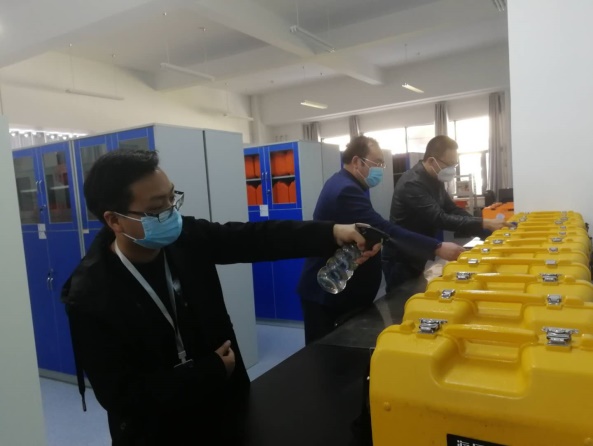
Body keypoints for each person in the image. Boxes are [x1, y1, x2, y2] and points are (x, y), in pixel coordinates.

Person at [61, 149, 380, 446]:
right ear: (114, 220)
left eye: (172, 198)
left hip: (228, 404)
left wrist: (332, 233)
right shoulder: (90, 295)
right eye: (157, 209)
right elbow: (121, 395)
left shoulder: (185, 238)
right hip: (158, 431)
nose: (171, 213)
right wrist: (209, 371)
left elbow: (256, 239)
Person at [296, 135, 464, 345]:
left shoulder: (348, 184)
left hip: (343, 291)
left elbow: (368, 232)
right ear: (357, 161)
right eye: (377, 163)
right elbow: (383, 228)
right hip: (330, 289)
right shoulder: (345, 190)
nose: (380, 169)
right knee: (325, 355)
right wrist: (436, 247)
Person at [382, 135, 511, 292]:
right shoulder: (412, 183)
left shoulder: (434, 179)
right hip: (401, 256)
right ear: (432, 161)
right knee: (402, 300)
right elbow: (439, 218)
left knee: (417, 292)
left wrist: (485, 230)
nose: (452, 169)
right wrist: (484, 223)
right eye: (449, 164)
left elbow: (452, 209)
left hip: (418, 251)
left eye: (454, 164)